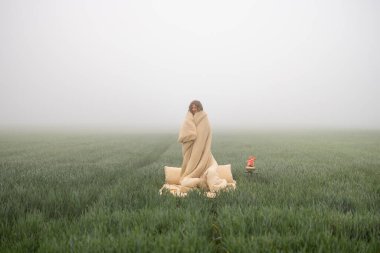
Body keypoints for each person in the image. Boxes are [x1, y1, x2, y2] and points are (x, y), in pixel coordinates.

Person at [178, 100, 227, 192]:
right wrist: (190, 135)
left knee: (211, 172)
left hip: (204, 152)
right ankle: (200, 182)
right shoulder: (188, 118)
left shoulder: (204, 118)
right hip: (191, 151)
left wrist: (200, 147)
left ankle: (211, 184)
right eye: (192, 107)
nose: (194, 109)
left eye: (195, 107)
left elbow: (205, 134)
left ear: (199, 107)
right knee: (185, 180)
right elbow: (184, 133)